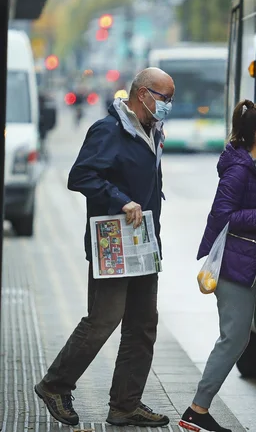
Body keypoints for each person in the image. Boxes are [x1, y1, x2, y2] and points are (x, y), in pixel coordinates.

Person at [34, 68, 175, 427]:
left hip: (143, 243)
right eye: (164, 98)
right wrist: (119, 199)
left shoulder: (151, 130)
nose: (167, 106)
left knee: (143, 325)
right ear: (142, 94)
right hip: (112, 243)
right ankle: (55, 384)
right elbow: (80, 176)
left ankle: (125, 405)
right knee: (104, 319)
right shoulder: (108, 130)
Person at [178, 100, 256, 432]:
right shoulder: (239, 170)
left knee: (237, 337)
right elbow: (223, 217)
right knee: (233, 339)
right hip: (235, 265)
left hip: (251, 261)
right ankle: (196, 410)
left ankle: (198, 409)